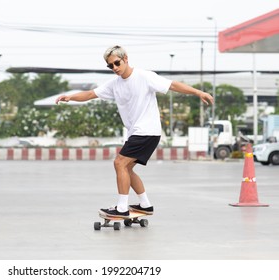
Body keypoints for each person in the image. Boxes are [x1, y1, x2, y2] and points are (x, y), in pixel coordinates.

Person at [55, 45, 214, 218]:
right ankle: (145, 204)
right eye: (110, 66)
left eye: (117, 63)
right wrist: (70, 97)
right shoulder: (114, 84)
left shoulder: (144, 76)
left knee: (119, 163)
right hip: (140, 133)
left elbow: (172, 85)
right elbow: (90, 94)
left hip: (146, 130)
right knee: (127, 169)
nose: (115, 68)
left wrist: (198, 92)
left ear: (126, 59)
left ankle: (122, 208)